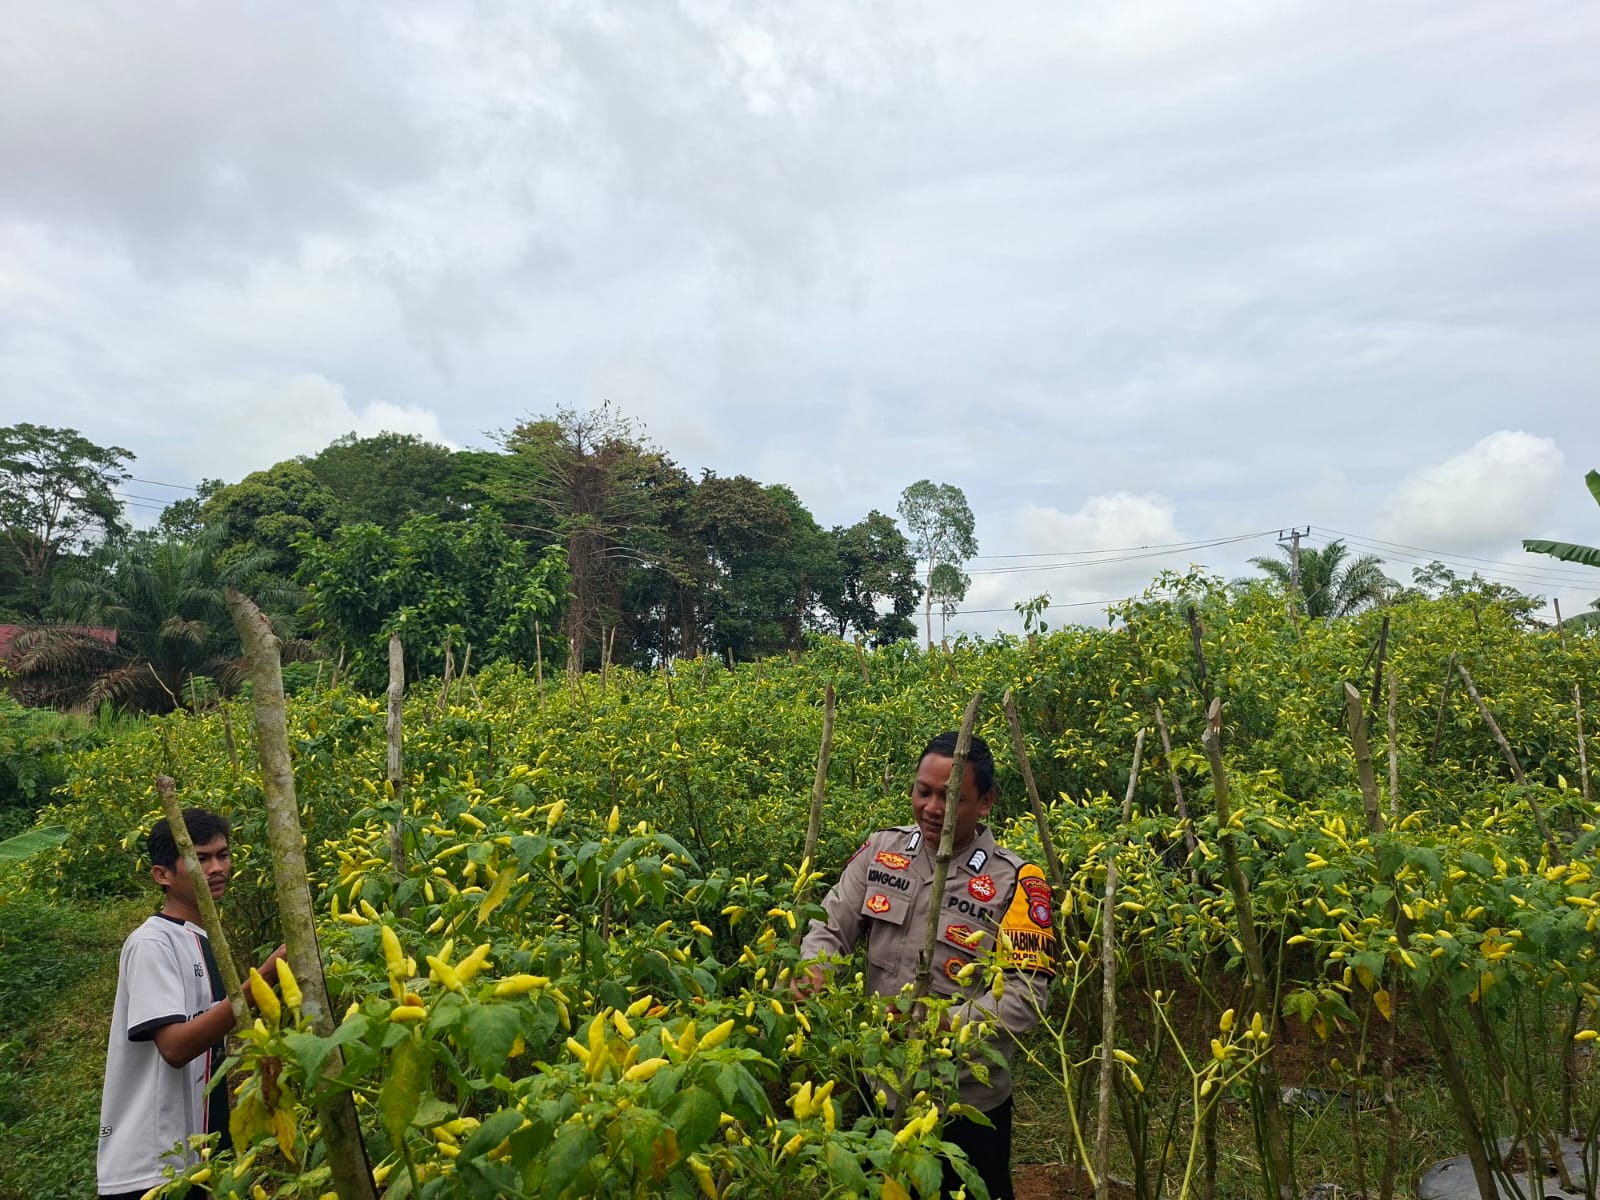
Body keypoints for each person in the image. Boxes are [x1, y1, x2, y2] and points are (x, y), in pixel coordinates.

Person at [798, 732, 1056, 1200]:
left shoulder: (1016, 880)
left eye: (951, 795)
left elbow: (1026, 996)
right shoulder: (882, 852)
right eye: (924, 791)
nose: (933, 807)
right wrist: (814, 969)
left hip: (963, 1103)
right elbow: (830, 928)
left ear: (986, 803)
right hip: (878, 1086)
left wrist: (941, 1025)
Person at [97, 807, 283, 1200]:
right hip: (152, 1168)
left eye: (223, 854)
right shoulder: (153, 943)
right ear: (161, 874)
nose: (217, 868)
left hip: (197, 1157)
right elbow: (176, 1047)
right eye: (200, 858)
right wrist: (261, 981)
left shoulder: (201, 939)